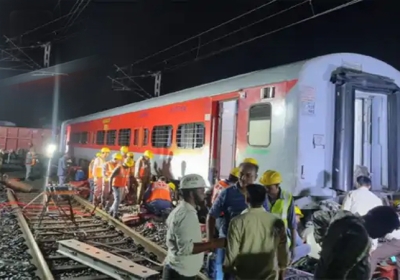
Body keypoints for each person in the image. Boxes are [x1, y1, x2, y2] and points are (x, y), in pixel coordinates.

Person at [207, 158, 269, 280]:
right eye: (241, 174)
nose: (243, 178)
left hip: (250, 244)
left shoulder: (261, 194)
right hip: (226, 242)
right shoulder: (227, 193)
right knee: (222, 273)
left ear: (255, 177)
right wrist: (210, 240)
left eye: (248, 175)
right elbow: (212, 215)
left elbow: (265, 218)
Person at [163, 174, 225, 280]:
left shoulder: (181, 210)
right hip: (181, 274)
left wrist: (203, 242)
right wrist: (214, 244)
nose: (204, 194)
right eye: (201, 190)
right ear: (191, 193)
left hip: (179, 270)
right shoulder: (187, 214)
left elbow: (181, 239)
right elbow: (186, 248)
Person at [312, 206, 400, 279]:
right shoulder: (358, 235)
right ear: (379, 223)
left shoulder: (346, 218)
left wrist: (325, 242)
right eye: (386, 230)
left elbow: (318, 215)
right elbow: (337, 271)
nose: (383, 235)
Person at [223, 184, 289, 280]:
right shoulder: (277, 221)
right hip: (269, 275)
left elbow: (232, 252)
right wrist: (283, 266)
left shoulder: (237, 222)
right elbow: (283, 249)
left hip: (244, 276)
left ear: (247, 199)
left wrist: (228, 268)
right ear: (264, 199)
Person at [260, 170, 297, 261]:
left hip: (282, 241)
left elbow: (292, 224)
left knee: (280, 269)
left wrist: (293, 246)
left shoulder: (287, 197)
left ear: (277, 185)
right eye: (265, 187)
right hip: (264, 241)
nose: (266, 189)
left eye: (269, 187)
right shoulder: (261, 197)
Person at [342, 175, 383, 253]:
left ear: (357, 184)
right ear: (369, 186)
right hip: (371, 231)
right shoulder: (377, 199)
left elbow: (344, 212)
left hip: (355, 227)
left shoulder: (352, 194)